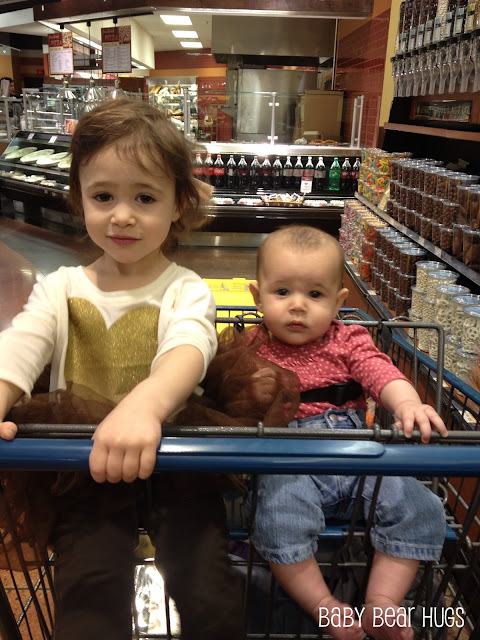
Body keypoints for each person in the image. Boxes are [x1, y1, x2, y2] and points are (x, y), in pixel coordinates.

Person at [0, 98, 243, 640]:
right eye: (103, 196)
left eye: (145, 197)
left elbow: (189, 348)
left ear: (179, 203)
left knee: (209, 591)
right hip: (85, 473)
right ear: (78, 199)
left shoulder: (185, 288)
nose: (122, 215)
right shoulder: (59, 287)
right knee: (87, 594)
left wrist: (145, 406)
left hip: (177, 468)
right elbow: (20, 347)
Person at [245, 225, 448, 640]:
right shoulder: (250, 347)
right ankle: (324, 606)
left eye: (315, 295)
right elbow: (224, 392)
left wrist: (407, 403)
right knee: (279, 518)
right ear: (256, 295)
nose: (298, 306)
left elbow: (381, 372)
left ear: (339, 302)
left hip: (357, 451)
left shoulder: (349, 339)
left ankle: (382, 604)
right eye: (282, 292)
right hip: (287, 458)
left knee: (419, 506)